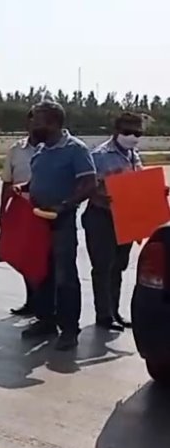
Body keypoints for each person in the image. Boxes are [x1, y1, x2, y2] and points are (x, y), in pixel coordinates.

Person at [19, 100, 97, 351]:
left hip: (61, 221)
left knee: (65, 277)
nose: (32, 123)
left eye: (37, 119)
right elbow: (38, 180)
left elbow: (88, 184)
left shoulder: (75, 149)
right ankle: (45, 320)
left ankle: (69, 330)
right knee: (42, 272)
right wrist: (25, 188)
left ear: (53, 122)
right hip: (38, 221)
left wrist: (64, 205)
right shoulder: (41, 150)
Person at [82, 111, 144, 331]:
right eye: (128, 131)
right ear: (116, 131)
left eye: (137, 132)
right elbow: (85, 186)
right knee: (102, 267)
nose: (133, 136)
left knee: (118, 266)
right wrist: (99, 195)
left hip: (124, 218)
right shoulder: (99, 155)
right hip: (101, 217)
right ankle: (104, 315)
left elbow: (139, 183)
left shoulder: (134, 155)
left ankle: (114, 311)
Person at [0, 109, 39, 316]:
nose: (37, 126)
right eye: (33, 121)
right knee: (24, 258)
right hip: (22, 212)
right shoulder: (16, 150)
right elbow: (7, 182)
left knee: (45, 262)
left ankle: (47, 306)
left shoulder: (53, 149)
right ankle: (31, 301)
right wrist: (2, 212)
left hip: (46, 213)